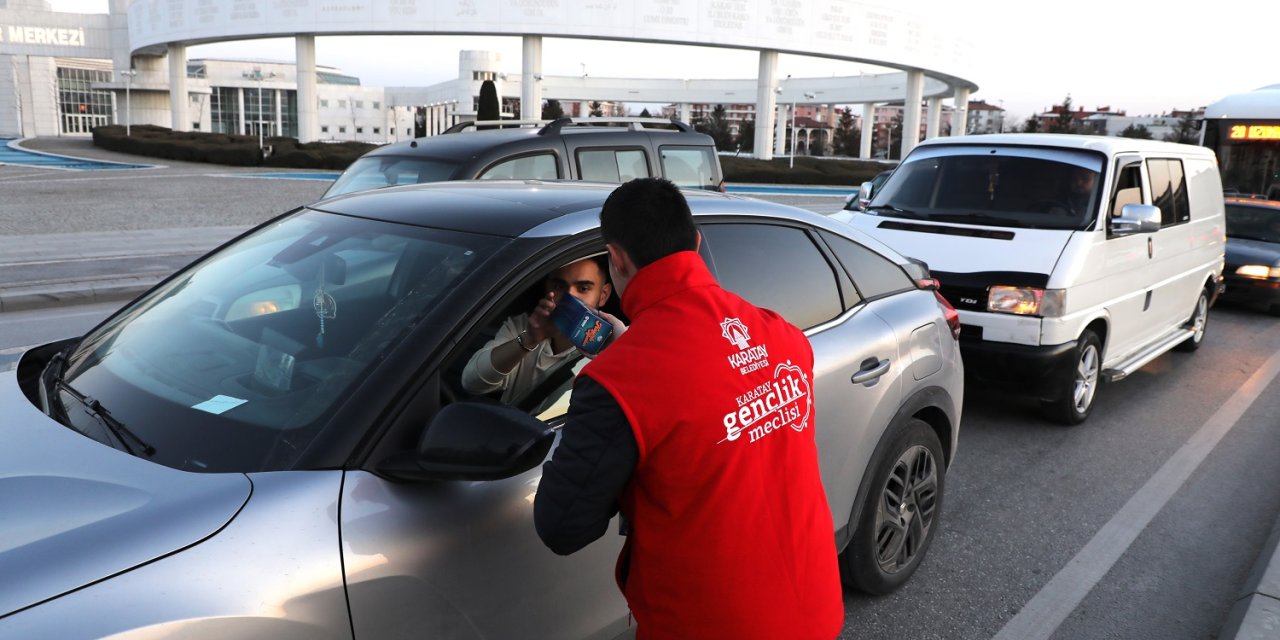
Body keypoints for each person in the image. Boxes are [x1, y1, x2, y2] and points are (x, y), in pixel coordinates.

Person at [534, 178, 844, 639]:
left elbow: (562, 526)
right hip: (815, 610)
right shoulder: (782, 334)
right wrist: (631, 348)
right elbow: (714, 399)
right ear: (696, 243)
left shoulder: (619, 380)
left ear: (615, 258)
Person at [460, 256, 613, 408]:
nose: (570, 297)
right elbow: (472, 383)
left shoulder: (610, 351)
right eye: (559, 287)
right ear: (548, 288)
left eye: (583, 289)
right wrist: (529, 339)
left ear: (603, 295)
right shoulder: (522, 325)